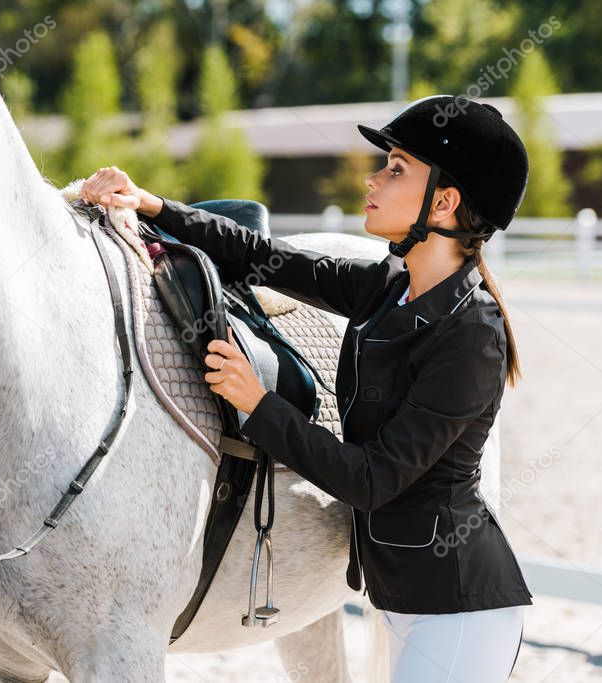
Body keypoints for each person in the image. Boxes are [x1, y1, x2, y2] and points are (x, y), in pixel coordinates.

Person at [80, 94, 533, 682]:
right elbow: (262, 256)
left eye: (397, 168)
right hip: (402, 596)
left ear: (443, 203)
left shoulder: (474, 335)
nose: (374, 178)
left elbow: (372, 480)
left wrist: (257, 403)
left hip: (457, 606)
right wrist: (152, 205)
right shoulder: (387, 286)